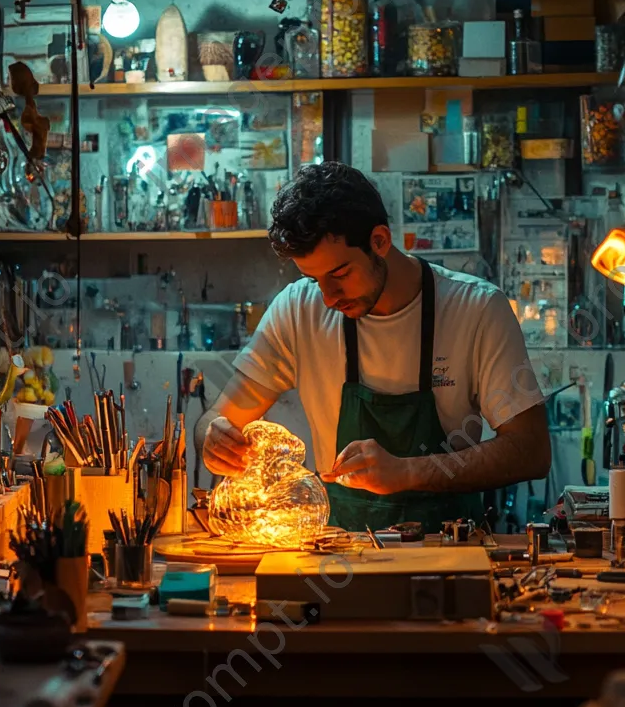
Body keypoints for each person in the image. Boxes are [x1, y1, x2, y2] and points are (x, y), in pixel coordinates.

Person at [196, 162, 550, 532]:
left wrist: (408, 471)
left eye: (340, 275)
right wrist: (215, 438)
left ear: (379, 241)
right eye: (314, 280)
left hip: (449, 551)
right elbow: (215, 419)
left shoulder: (475, 309)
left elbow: (531, 451)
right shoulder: (298, 309)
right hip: (340, 548)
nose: (328, 298)